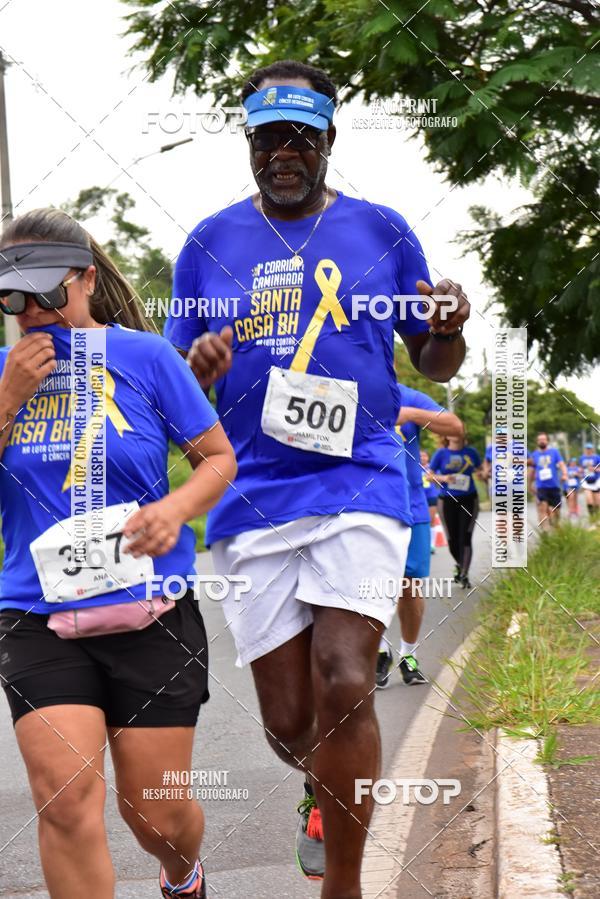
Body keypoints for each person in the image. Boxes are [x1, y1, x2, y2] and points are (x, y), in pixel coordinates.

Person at [164, 59, 470, 898]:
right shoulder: (209, 243)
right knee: (291, 721)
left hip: (360, 479)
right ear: (252, 146)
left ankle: (344, 883)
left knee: (346, 674)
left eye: (302, 137)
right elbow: (177, 383)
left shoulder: (382, 229)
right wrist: (199, 366)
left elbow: (433, 358)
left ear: (330, 139)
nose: (285, 153)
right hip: (252, 496)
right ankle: (318, 780)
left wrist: (447, 328)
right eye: (269, 139)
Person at [0, 209, 236, 899]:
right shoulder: (1, 371)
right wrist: (7, 398)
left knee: (155, 815)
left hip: (151, 611)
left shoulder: (147, 357)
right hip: (35, 614)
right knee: (66, 800)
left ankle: (181, 872)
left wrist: (173, 509)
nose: (32, 311)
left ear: (87, 279)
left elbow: (217, 460)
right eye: (12, 296)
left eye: (48, 292)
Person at [375, 385, 463, 688]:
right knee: (369, 585)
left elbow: (454, 426)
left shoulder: (404, 395)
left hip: (411, 508)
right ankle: (379, 650)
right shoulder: (346, 388)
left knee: (410, 587)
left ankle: (408, 655)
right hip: (364, 506)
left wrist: (406, 414)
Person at [429, 435, 482, 589]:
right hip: (447, 500)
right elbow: (429, 476)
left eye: (459, 431)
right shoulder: (441, 453)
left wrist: (484, 474)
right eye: (452, 431)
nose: (456, 434)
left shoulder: (471, 452)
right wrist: (444, 477)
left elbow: (480, 472)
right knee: (452, 539)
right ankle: (460, 565)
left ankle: (464, 574)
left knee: (465, 536)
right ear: (446, 435)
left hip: (469, 499)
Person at [529, 432, 568, 530]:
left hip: (554, 486)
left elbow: (562, 464)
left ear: (547, 441)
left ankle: (554, 525)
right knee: (543, 507)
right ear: (537, 442)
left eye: (543, 439)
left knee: (556, 511)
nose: (541, 441)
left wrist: (564, 474)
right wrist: (529, 485)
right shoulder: (534, 455)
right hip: (541, 487)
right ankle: (545, 531)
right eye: (539, 440)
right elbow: (532, 471)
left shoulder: (554, 452)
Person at [422, 449, 441, 550]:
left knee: (431, 520)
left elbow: (439, 481)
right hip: (419, 497)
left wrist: (432, 478)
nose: (422, 458)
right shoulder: (415, 467)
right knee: (421, 521)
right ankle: (423, 544)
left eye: (424, 456)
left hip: (432, 496)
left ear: (428, 457)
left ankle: (432, 545)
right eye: (420, 456)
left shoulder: (432, 469)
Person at [579, 442, 600, 524]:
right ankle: (592, 519)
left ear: (592, 449)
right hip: (587, 482)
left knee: (597, 501)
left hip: (596, 481)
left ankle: (597, 517)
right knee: (589, 500)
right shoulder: (582, 458)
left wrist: (595, 469)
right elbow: (580, 468)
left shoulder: (597, 457)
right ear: (585, 449)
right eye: (587, 448)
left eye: (589, 448)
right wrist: (580, 472)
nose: (588, 450)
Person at [565, 456, 583, 521]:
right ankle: (570, 511)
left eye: (574, 462)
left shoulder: (578, 468)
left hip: (576, 485)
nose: (573, 463)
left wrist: (577, 474)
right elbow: (564, 476)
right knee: (570, 497)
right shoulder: (567, 468)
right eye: (572, 462)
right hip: (569, 485)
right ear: (570, 462)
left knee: (575, 498)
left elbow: (581, 476)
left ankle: (576, 511)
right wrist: (569, 476)